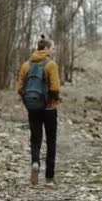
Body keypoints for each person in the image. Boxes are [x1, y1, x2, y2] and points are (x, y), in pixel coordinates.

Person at [17, 35, 60, 185]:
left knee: (35, 138)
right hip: (49, 108)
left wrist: (28, 102)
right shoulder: (51, 65)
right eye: (52, 47)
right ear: (46, 49)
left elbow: (20, 88)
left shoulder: (26, 65)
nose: (53, 50)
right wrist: (53, 99)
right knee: (51, 140)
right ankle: (49, 177)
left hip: (33, 107)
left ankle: (35, 162)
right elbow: (54, 87)